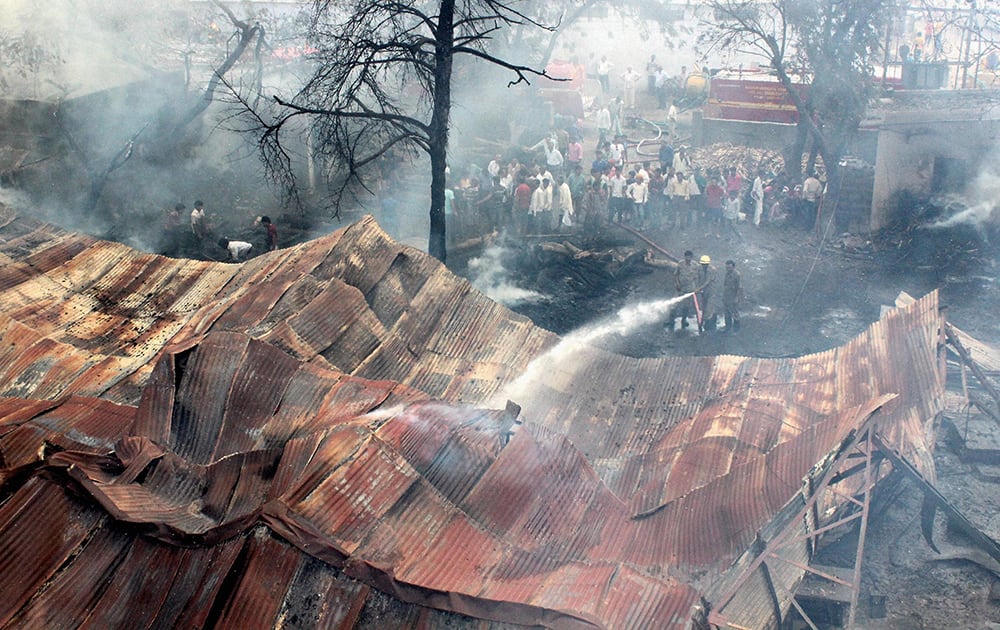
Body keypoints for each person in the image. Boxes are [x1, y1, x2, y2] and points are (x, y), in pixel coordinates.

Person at [672, 249, 699, 330]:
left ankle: (684, 320)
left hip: (690, 288)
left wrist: (696, 287)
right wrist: (677, 284)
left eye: (689, 257)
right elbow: (676, 275)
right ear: (684, 257)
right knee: (674, 304)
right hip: (680, 287)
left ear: (691, 257)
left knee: (686, 306)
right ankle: (671, 320)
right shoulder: (680, 264)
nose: (688, 259)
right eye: (686, 257)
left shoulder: (695, 265)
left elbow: (698, 276)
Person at [695, 254, 717, 332]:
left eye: (705, 264)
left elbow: (708, 281)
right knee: (704, 307)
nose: (703, 266)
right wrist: (697, 287)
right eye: (702, 264)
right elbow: (697, 278)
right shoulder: (699, 269)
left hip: (711, 291)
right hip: (703, 292)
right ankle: (711, 320)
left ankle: (709, 325)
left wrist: (699, 288)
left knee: (709, 308)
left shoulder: (712, 270)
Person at [722, 259, 743, 332]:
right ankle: (728, 327)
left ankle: (736, 329)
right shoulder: (727, 274)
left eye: (729, 267)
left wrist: (736, 297)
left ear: (733, 267)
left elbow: (739, 287)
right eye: (727, 267)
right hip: (726, 296)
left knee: (735, 313)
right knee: (726, 313)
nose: (728, 269)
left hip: (733, 296)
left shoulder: (736, 275)